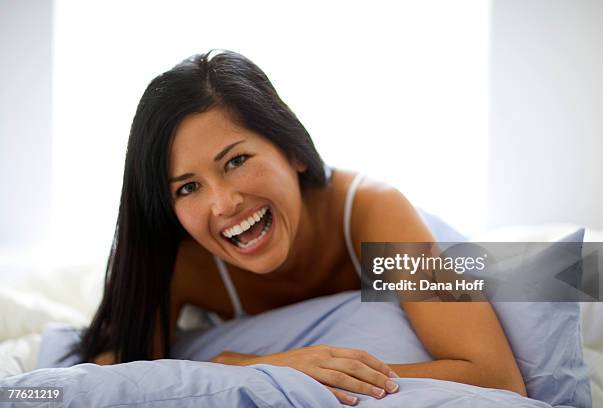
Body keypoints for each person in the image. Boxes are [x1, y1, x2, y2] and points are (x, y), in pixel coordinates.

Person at [79, 49, 527, 405]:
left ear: (292, 151)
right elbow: (116, 371)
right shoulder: (185, 262)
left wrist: (294, 371)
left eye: (236, 161)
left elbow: (496, 376)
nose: (224, 204)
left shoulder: (373, 211)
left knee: (571, 274)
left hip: (437, 252)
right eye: (188, 187)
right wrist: (266, 366)